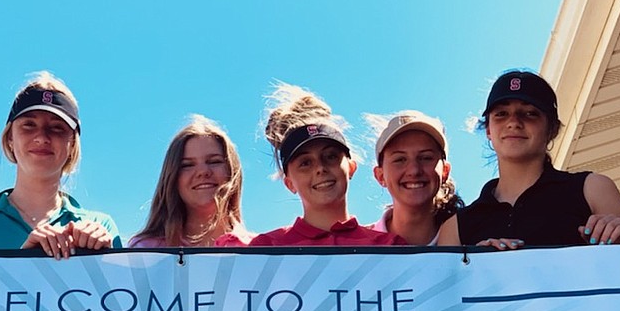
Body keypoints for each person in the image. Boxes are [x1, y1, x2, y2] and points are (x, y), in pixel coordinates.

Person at [437, 70, 620, 249]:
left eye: (530, 113)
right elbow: (450, 287)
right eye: (501, 114)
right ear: (488, 129)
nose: (513, 122)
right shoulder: (456, 227)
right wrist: (477, 266)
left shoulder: (593, 188)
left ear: (552, 129)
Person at [0, 72, 120, 257]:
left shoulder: (101, 226)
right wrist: (26, 261)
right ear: (10, 137)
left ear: (72, 143)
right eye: (29, 125)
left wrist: (96, 254)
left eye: (57, 128)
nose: (42, 138)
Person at [249, 85, 405, 247]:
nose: (320, 168)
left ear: (351, 167)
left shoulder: (389, 246)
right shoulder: (266, 247)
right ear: (289, 183)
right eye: (305, 163)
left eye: (330, 156)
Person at [130, 116, 251, 247]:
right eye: (187, 165)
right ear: (172, 178)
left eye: (214, 161)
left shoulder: (257, 249)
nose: (203, 171)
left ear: (232, 171)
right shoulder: (144, 250)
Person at [367, 110, 462, 246]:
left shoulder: (470, 241)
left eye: (426, 158)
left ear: (445, 171)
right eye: (400, 159)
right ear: (380, 175)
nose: (414, 170)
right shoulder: (356, 247)